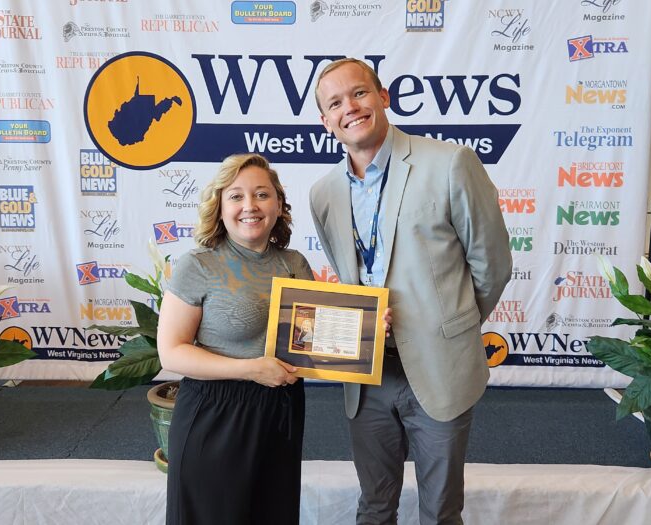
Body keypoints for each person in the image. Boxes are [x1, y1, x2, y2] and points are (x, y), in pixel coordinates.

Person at [309, 58, 512, 525]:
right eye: (335, 103)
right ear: (326, 121)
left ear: (383, 97)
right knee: (374, 507)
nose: (350, 108)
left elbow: (492, 264)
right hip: (367, 376)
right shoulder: (323, 193)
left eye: (359, 94)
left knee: (440, 511)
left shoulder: (449, 163)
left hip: (440, 369)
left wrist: (451, 324)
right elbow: (349, 275)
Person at [158, 153, 313, 525]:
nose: (250, 206)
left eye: (262, 194)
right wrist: (250, 370)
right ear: (220, 206)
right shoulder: (198, 265)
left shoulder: (295, 264)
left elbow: (312, 341)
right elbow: (171, 354)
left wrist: (370, 329)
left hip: (281, 412)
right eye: (237, 196)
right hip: (217, 414)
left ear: (278, 204)